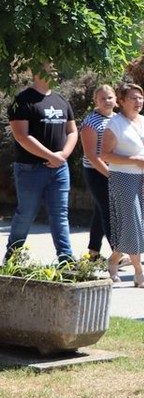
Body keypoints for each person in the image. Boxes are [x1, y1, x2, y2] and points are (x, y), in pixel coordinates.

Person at [5, 64, 77, 264]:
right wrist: (50, 156)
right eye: (49, 68)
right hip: (30, 169)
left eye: (55, 68)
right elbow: (22, 136)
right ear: (36, 71)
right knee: (26, 213)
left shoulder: (61, 100)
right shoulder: (21, 100)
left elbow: (72, 131)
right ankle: (12, 257)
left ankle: (66, 259)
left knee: (60, 214)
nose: (55, 72)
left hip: (59, 169)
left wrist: (63, 155)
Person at [100, 83, 144, 287]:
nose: (138, 101)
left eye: (140, 97)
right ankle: (139, 273)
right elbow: (105, 154)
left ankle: (113, 260)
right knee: (133, 223)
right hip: (123, 177)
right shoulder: (115, 124)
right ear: (122, 101)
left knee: (135, 224)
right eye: (133, 98)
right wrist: (134, 160)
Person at [79, 85, 123, 263]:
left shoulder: (118, 118)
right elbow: (91, 155)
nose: (107, 101)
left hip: (114, 169)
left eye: (110, 97)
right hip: (96, 171)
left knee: (100, 210)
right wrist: (110, 174)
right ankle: (117, 254)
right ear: (95, 101)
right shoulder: (91, 122)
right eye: (103, 98)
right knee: (109, 210)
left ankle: (93, 253)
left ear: (116, 99)